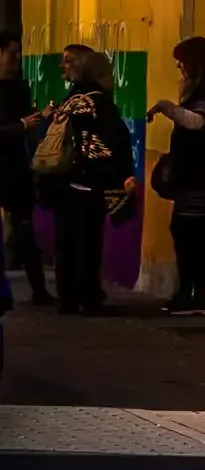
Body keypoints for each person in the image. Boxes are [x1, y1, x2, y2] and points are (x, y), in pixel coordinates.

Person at [37, 45, 136, 315]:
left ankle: (68, 297)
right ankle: (88, 296)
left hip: (64, 181)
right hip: (87, 181)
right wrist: (121, 175)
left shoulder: (72, 99)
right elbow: (114, 142)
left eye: (69, 61)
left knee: (67, 242)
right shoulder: (98, 102)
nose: (63, 66)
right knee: (87, 242)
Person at [147, 36, 205, 316]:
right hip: (194, 174)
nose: (179, 68)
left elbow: (197, 122)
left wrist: (166, 107)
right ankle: (189, 292)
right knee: (185, 232)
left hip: (199, 175)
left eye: (182, 63)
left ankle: (196, 295)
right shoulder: (203, 90)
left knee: (190, 233)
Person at [0, 30, 52, 305]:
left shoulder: (20, 87)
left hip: (16, 167)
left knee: (25, 228)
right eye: (11, 53)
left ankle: (39, 290)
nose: (17, 59)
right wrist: (22, 126)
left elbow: (27, 126)